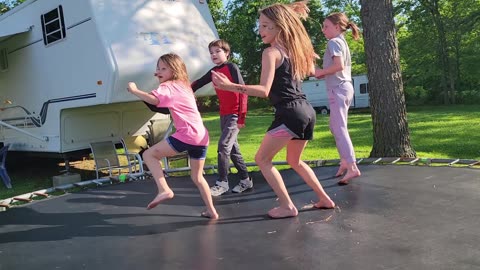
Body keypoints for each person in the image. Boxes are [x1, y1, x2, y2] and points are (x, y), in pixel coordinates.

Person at [211, 2, 335, 219]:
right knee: (294, 161)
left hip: (289, 113)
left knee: (262, 160)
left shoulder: (271, 52)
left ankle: (287, 206)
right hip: (306, 112)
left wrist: (229, 86)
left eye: (266, 26)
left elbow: (263, 90)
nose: (261, 31)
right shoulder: (294, 52)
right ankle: (324, 198)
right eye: (260, 26)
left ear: (280, 27)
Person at [127, 53, 219, 219]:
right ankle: (212, 211)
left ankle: (164, 189)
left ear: (175, 70)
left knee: (149, 154)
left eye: (163, 68)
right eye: (157, 68)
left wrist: (134, 90)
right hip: (201, 136)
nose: (158, 72)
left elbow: (154, 101)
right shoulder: (184, 85)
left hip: (187, 135)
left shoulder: (168, 86)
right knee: (197, 177)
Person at [191, 39, 252, 197]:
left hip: (234, 114)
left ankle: (222, 182)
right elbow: (197, 83)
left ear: (227, 53)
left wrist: (241, 118)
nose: (214, 55)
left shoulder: (232, 67)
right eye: (211, 52)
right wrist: (182, 88)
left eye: (217, 51)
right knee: (232, 150)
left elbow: (243, 90)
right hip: (224, 115)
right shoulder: (213, 72)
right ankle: (245, 180)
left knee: (223, 146)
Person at [315, 12, 361, 185]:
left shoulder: (333, 42)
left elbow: (338, 66)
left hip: (339, 89)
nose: (323, 30)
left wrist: (320, 72)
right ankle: (344, 162)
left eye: (326, 26)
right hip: (344, 87)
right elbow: (336, 66)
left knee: (340, 128)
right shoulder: (341, 42)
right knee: (335, 127)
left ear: (337, 27)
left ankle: (352, 166)